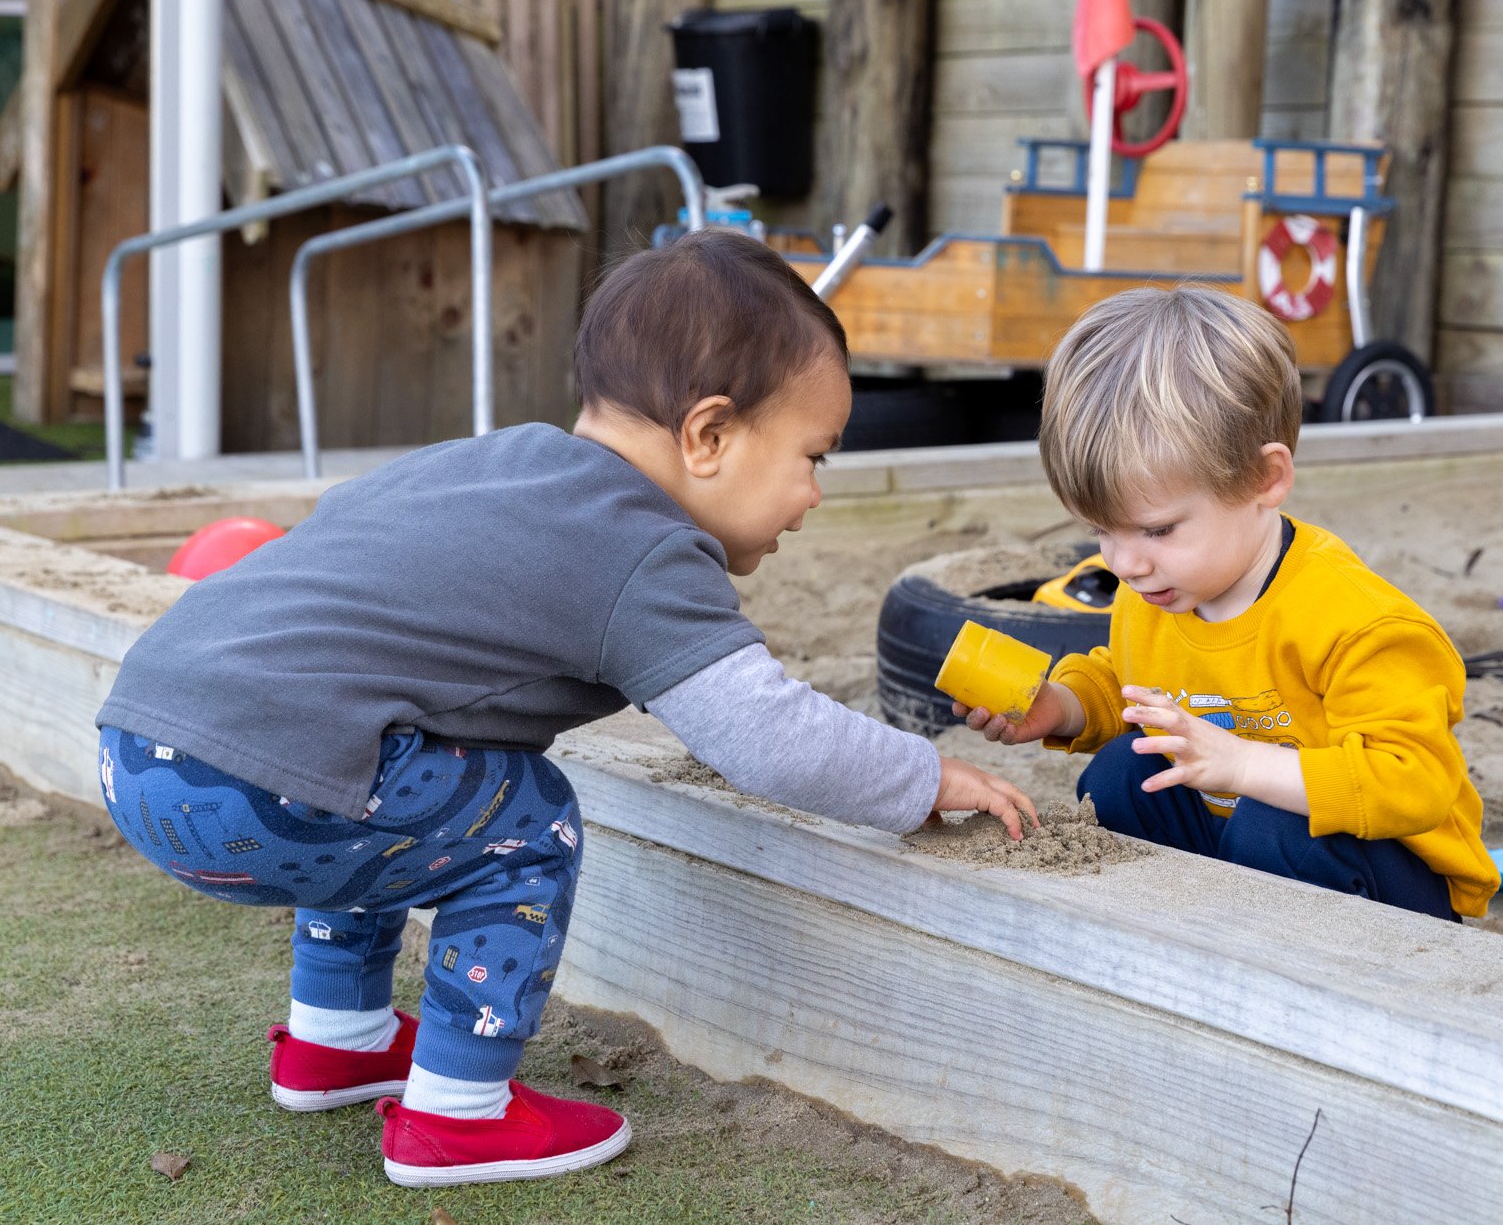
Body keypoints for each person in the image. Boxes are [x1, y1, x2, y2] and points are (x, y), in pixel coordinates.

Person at [95, 230, 1037, 1188]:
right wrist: (924, 775)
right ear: (709, 436)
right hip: (260, 786)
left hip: (141, 743)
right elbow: (763, 736)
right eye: (812, 457)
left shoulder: (491, 464)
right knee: (524, 816)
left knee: (385, 766)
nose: (814, 495)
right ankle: (459, 1117)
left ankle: (338, 1041)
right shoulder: (640, 545)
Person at [952, 286, 1496, 922]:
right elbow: (1129, 684)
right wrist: (1061, 708)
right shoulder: (1156, 589)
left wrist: (1243, 764)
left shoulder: (1357, 621)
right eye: (1102, 529)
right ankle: (1177, 929)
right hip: (1232, 846)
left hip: (1386, 886)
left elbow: (1416, 784)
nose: (1124, 563)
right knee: (1122, 772)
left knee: (1276, 824)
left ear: (1265, 479)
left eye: (1157, 530)